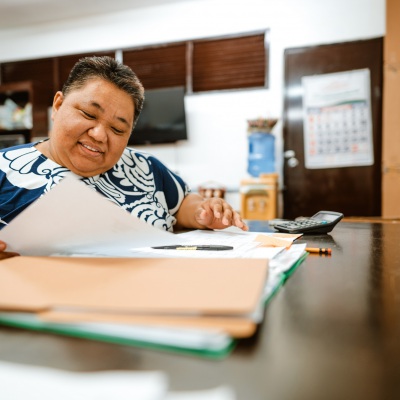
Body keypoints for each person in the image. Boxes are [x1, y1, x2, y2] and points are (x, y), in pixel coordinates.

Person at [0, 56, 247, 259]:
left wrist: (202, 210)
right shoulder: (4, 169)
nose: (99, 135)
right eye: (88, 114)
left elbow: (182, 203)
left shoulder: (145, 168)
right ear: (58, 105)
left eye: (118, 130)